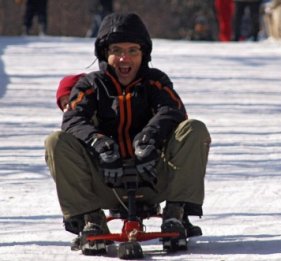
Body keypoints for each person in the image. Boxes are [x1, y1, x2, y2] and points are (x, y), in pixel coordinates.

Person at [44, 13, 211, 255]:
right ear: (104, 53)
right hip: (105, 182)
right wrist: (99, 143)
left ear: (144, 54)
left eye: (133, 50)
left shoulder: (156, 81)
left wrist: (149, 139)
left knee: (194, 129)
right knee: (55, 141)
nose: (125, 58)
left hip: (154, 176)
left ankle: (176, 213)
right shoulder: (90, 86)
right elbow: (73, 119)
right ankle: (90, 220)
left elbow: (172, 111)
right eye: (117, 50)